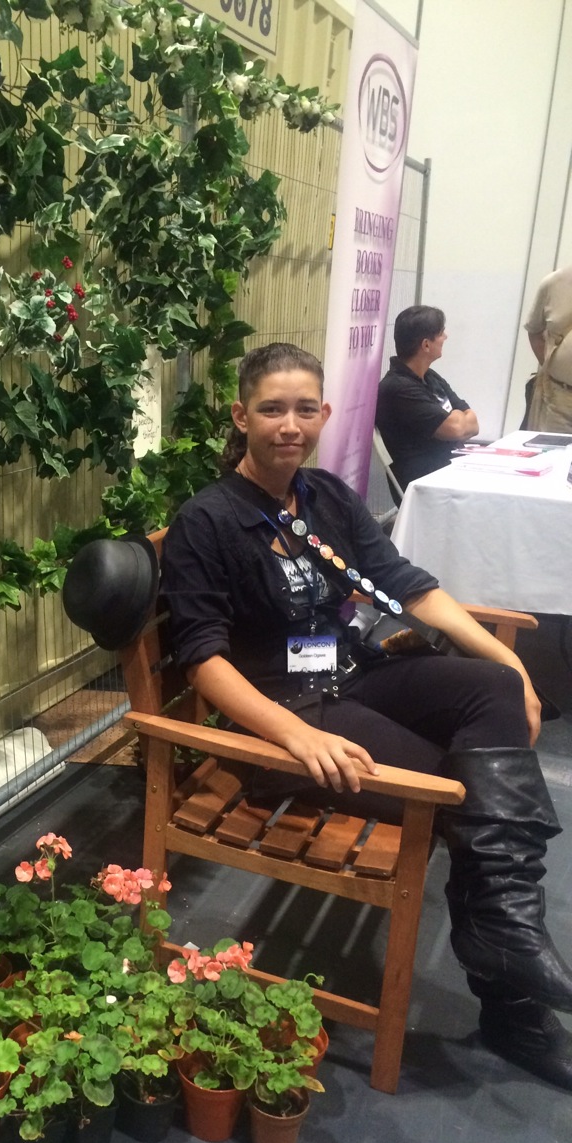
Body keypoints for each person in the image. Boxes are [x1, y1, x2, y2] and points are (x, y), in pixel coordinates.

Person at [160, 341, 572, 1090]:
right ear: (241, 415)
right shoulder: (208, 522)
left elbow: (409, 586)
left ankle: (506, 932)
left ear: (324, 413)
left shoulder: (325, 497)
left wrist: (507, 663)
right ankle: (514, 1004)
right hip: (290, 716)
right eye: (272, 409)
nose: (291, 424)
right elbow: (202, 660)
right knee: (464, 786)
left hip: (355, 676)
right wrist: (295, 735)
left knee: (494, 694)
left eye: (305, 409)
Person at [375, 305, 480, 490]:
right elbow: (455, 429)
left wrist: (457, 419)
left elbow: (474, 424)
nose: (445, 337)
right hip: (425, 485)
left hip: (448, 472)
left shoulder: (430, 377)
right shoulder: (398, 389)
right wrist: (456, 418)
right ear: (426, 344)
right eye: (441, 333)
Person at [524, 264, 572, 433]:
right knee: (553, 456)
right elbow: (534, 331)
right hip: (558, 398)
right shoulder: (552, 283)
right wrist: (552, 368)